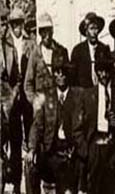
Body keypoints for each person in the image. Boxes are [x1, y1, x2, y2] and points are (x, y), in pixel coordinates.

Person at [72, 46, 115, 194]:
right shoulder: (86, 96)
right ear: (96, 72)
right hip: (94, 149)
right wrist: (87, 151)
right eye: (100, 70)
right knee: (94, 188)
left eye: (106, 70)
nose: (103, 75)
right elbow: (76, 129)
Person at [27, 56, 79, 194]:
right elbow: (37, 125)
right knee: (31, 168)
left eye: (63, 72)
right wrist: (31, 149)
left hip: (71, 154)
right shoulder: (47, 96)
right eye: (57, 71)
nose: (60, 75)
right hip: (51, 153)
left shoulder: (77, 96)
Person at [24, 12, 69, 103]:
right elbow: (28, 83)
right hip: (41, 104)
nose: (47, 36)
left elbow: (68, 77)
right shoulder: (35, 54)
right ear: (40, 33)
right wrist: (35, 101)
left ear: (52, 31)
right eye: (43, 32)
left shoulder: (61, 51)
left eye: (49, 31)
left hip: (57, 103)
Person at [70, 11, 109, 89]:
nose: (94, 32)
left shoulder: (104, 49)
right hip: (83, 93)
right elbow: (72, 76)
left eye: (96, 28)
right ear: (86, 31)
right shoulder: (78, 51)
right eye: (91, 28)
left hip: (100, 91)